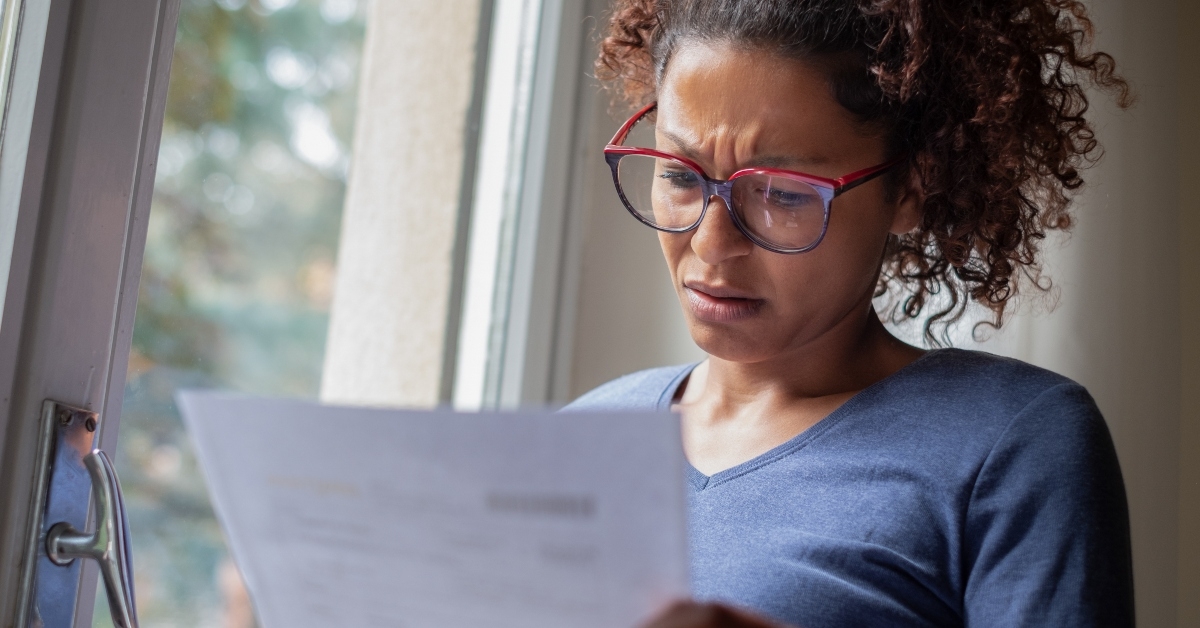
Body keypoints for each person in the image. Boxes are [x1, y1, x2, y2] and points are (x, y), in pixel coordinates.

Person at [562, 1, 1136, 626]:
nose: (711, 242)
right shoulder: (582, 437)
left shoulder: (1010, 444)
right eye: (679, 176)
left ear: (912, 188)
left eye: (782, 193)